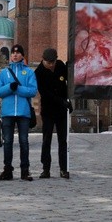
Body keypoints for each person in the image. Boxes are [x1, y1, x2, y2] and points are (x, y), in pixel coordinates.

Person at [0, 44, 38, 181]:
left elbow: (32, 91)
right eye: (13, 53)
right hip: (7, 112)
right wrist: (9, 87)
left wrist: (17, 88)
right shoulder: (4, 73)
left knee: (23, 141)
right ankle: (7, 170)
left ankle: (25, 170)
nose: (15, 55)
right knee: (7, 142)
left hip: (23, 111)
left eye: (18, 53)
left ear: (22, 56)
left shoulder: (29, 72)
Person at [35, 47, 72, 179]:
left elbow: (69, 83)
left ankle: (64, 168)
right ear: (43, 60)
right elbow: (45, 94)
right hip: (49, 110)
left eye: (53, 62)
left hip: (62, 110)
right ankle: (46, 168)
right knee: (47, 140)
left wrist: (69, 100)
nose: (51, 65)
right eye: (48, 63)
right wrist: (62, 101)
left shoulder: (60, 65)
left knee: (63, 140)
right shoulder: (38, 72)